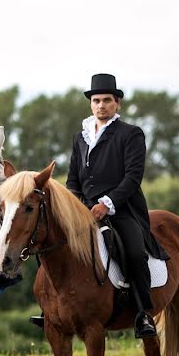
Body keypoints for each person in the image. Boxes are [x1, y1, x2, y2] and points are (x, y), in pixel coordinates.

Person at [62, 73, 168, 338]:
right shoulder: (80, 137)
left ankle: (143, 313)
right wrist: (73, 206)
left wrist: (106, 204)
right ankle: (53, 307)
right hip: (84, 211)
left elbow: (132, 177)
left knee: (134, 251)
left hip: (122, 210)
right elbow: (73, 179)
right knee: (54, 243)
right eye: (96, 100)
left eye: (106, 100)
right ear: (90, 104)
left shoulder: (131, 134)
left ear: (117, 103)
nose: (101, 105)